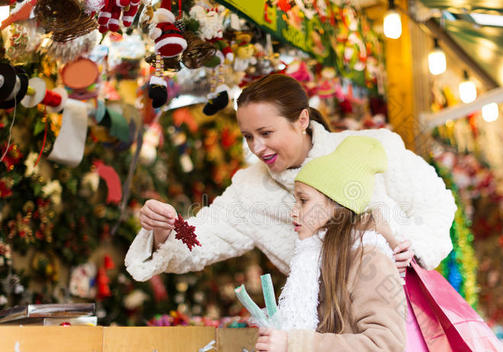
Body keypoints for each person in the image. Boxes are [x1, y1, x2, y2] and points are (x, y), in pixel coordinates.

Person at [125, 73, 456, 282]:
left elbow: (436, 204)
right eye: (248, 136)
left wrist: (413, 246)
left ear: (301, 120)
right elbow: (200, 242)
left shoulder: (371, 147)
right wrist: (166, 230)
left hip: (400, 315)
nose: (257, 147)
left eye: (266, 132)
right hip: (328, 334)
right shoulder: (250, 188)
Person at [246, 136, 406, 352]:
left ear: (336, 205)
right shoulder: (310, 265)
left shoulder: (370, 259)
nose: (294, 212)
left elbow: (385, 346)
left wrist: (293, 348)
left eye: (303, 200)